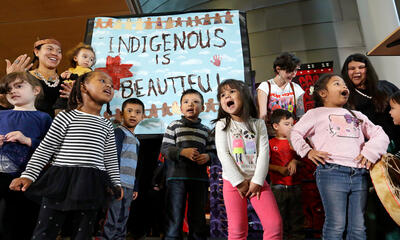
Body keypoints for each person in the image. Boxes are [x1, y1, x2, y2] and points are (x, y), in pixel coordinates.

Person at [9, 71, 123, 239]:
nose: (108, 86)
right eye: (102, 81)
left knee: (83, 233)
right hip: (61, 181)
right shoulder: (66, 117)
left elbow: (110, 157)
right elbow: (46, 149)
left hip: (92, 184)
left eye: (111, 85)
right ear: (83, 87)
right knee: (46, 231)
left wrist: (115, 182)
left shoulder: (106, 124)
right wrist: (28, 175)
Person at [290, 73, 389, 240]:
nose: (344, 87)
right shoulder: (315, 114)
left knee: (358, 227)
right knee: (336, 224)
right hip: (331, 172)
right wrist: (307, 151)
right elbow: (295, 132)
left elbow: (380, 135)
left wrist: (370, 152)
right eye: (337, 84)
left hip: (360, 173)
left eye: (344, 84)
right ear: (323, 93)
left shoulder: (357, 115)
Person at [214, 79, 282, 240]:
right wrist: (239, 182)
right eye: (222, 95)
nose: (226, 97)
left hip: (257, 182)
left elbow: (264, 153)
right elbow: (223, 155)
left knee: (275, 225)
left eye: (231, 92)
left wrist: (257, 181)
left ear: (244, 96)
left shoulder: (258, 124)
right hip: (233, 183)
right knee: (237, 230)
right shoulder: (222, 124)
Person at [0, 72, 52, 240]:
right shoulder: (1, 115)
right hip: (1, 178)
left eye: (19, 86)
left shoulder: (44, 118)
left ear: (36, 90)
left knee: (25, 221)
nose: (12, 91)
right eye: (9, 89)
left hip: (29, 180)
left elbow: (50, 149)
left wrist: (27, 140)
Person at [161, 89, 216, 240]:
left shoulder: (207, 131)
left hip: (199, 179)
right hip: (176, 178)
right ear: (180, 107)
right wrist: (182, 152)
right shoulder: (174, 126)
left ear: (203, 108)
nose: (190, 104)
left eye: (196, 102)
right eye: (186, 102)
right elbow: (165, 149)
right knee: (174, 214)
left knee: (197, 216)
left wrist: (207, 157)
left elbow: (214, 154)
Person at [102, 98, 144, 240]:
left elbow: (135, 166)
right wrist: (113, 183)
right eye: (129, 111)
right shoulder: (119, 133)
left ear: (142, 117)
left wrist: (135, 187)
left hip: (129, 186)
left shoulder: (136, 140)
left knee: (123, 217)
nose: (133, 115)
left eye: (137, 112)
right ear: (121, 114)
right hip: (117, 184)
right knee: (112, 217)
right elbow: (112, 157)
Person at [5, 38, 69, 117]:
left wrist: (73, 98)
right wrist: (10, 81)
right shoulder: (25, 77)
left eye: (59, 51)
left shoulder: (66, 82)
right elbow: (7, 104)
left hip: (57, 128)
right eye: (50, 49)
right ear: (37, 52)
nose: (55, 53)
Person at [268, 109, 304, 240]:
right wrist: (278, 169)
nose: (291, 127)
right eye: (287, 124)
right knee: (279, 218)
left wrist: (295, 161)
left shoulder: (296, 142)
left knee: (297, 219)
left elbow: (304, 161)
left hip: (295, 186)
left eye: (292, 124)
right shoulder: (271, 143)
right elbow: (264, 165)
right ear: (276, 126)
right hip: (278, 187)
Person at [257, 52, 305, 135]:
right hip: (271, 134)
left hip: (290, 134)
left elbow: (301, 116)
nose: (293, 74)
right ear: (278, 69)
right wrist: (263, 136)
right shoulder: (265, 86)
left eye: (295, 70)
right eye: (289, 71)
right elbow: (263, 116)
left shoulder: (296, 88)